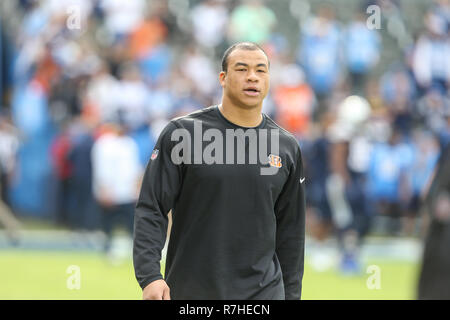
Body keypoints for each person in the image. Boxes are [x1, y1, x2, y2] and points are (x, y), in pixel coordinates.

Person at [133, 42, 306, 300]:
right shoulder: (183, 134)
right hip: (193, 291)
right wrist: (150, 276)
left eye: (261, 70)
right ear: (222, 78)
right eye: (242, 69)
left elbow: (291, 232)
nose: (252, 77)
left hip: (263, 294)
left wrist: (292, 296)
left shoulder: (286, 147)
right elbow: (152, 207)